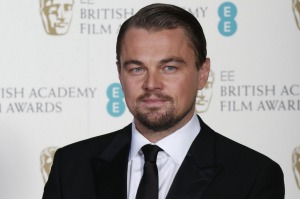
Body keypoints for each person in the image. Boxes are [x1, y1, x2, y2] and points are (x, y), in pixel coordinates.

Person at [42, 3, 285, 199]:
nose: (151, 84)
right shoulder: (71, 166)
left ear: (202, 73)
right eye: (137, 69)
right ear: (120, 74)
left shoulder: (253, 176)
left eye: (169, 67)